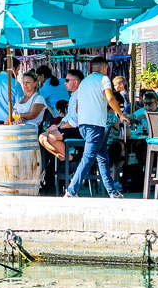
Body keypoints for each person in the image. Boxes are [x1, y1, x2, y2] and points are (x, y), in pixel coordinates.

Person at [65, 56, 127, 198]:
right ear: (104, 68)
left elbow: (78, 106)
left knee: (103, 158)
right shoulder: (104, 79)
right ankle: (71, 190)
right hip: (95, 126)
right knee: (88, 158)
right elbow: (110, 98)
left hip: (83, 126)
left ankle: (112, 192)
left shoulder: (84, 82)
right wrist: (121, 114)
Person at [40, 71, 84, 160]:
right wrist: (57, 125)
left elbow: (75, 120)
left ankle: (70, 159)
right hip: (71, 127)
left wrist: (58, 128)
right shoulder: (73, 96)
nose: (64, 83)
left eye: (67, 80)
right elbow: (67, 117)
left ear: (75, 82)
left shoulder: (81, 94)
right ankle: (64, 157)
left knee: (52, 137)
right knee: (42, 137)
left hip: (79, 129)